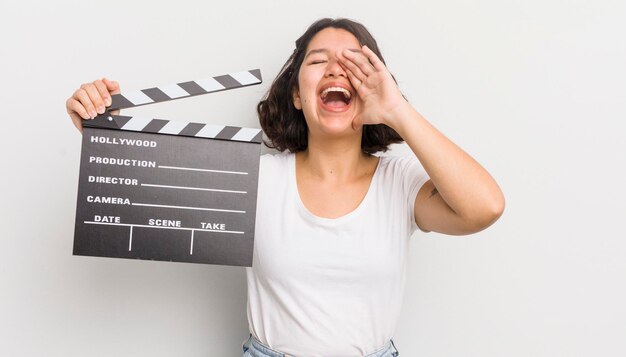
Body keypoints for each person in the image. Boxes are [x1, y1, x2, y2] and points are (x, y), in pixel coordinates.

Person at [66, 17, 505, 357]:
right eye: (318, 61)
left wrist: (398, 111)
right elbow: (142, 189)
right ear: (297, 94)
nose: (336, 68)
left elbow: (484, 207)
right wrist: (99, 127)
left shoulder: (400, 183)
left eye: (354, 62)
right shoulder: (254, 178)